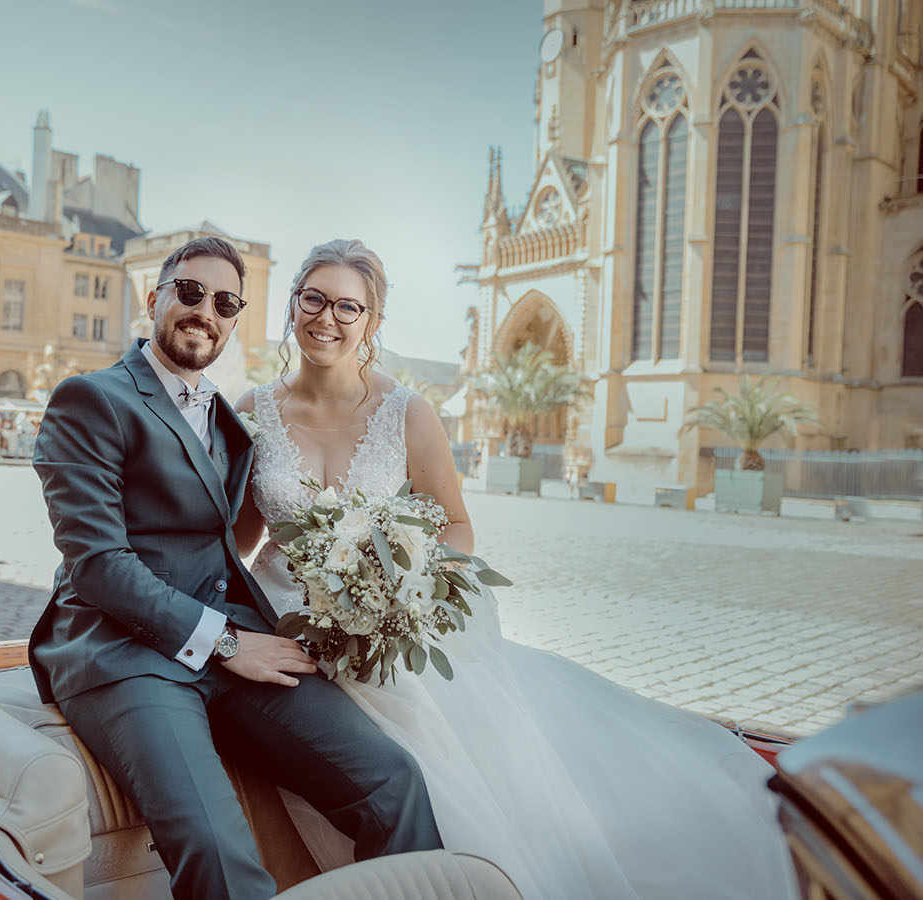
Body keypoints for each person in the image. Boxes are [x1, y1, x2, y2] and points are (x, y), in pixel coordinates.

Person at [233, 239, 798, 900]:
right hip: (287, 619)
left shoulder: (406, 412)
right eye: (314, 299)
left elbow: (455, 523)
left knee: (449, 764)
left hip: (391, 618)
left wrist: (403, 589)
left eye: (347, 306)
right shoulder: (251, 411)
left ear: (373, 322)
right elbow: (241, 538)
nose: (327, 317)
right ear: (293, 304)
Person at [30, 236, 441, 900]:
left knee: (393, 781)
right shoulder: (90, 399)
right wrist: (225, 642)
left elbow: (235, 543)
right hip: (123, 654)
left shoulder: (228, 417)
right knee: (219, 850)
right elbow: (100, 566)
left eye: (225, 302)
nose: (206, 312)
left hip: (233, 645)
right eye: (189, 292)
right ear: (153, 296)